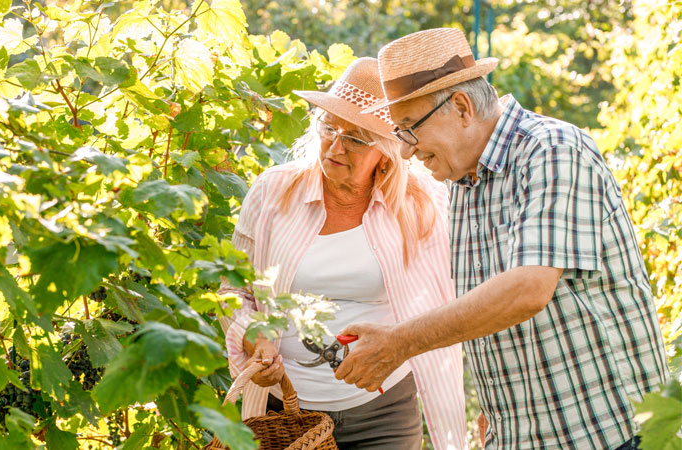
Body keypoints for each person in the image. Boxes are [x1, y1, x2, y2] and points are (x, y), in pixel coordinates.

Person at [333, 28, 671, 449]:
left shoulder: (552, 150)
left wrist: (400, 342)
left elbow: (527, 289)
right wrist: (498, 412)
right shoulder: (462, 181)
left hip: (607, 434)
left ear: (460, 107)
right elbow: (493, 313)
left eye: (408, 129)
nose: (405, 151)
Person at [216, 57, 468, 450]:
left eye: (355, 138)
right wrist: (254, 334)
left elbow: (457, 294)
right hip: (285, 411)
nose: (335, 145)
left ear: (385, 153)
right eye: (329, 128)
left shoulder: (422, 204)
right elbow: (232, 289)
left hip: (383, 412)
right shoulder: (273, 193)